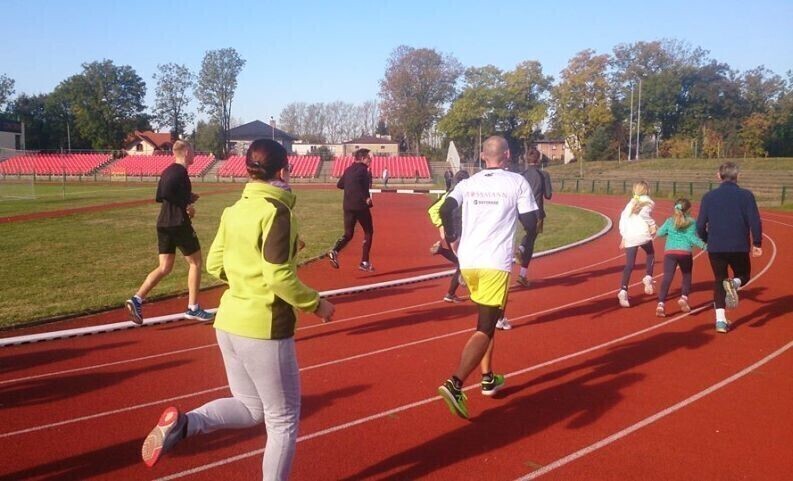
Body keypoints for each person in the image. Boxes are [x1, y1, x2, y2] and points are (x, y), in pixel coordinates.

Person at [140, 139, 335, 480]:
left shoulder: (234, 210)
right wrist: (316, 304)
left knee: (250, 408)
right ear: (284, 171)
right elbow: (278, 277)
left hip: (228, 323)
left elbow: (216, 264)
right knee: (283, 421)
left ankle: (186, 425)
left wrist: (248, 277)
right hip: (264, 328)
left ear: (247, 170)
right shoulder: (277, 212)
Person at [436, 136, 538, 419]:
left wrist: (452, 237)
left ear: (483, 156)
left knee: (487, 320)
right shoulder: (517, 182)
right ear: (507, 155)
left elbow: (445, 208)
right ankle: (455, 383)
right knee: (485, 326)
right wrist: (523, 234)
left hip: (468, 262)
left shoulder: (467, 183)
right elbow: (530, 222)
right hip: (494, 262)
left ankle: (488, 377)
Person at [125, 140, 214, 324]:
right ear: (187, 151)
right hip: (177, 223)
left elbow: (161, 196)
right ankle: (193, 308)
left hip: (164, 222)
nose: (195, 154)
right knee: (196, 262)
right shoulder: (180, 172)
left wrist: (187, 198)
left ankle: (137, 299)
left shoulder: (168, 171)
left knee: (165, 267)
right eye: (193, 150)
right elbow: (166, 192)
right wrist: (186, 205)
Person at [696, 161, 762, 333]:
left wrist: (706, 239)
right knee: (744, 275)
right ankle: (734, 282)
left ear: (719, 176)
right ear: (737, 176)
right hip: (738, 245)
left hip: (716, 246)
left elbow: (700, 225)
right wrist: (757, 242)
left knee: (719, 280)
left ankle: (720, 321)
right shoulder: (746, 196)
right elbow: (754, 220)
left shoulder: (708, 197)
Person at [654, 198, 707, 317]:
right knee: (686, 275)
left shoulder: (669, 221)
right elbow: (692, 238)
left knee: (667, 277)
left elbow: (660, 233)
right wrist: (704, 246)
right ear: (688, 210)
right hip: (685, 252)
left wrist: (666, 232)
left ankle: (661, 304)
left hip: (670, 252)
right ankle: (684, 297)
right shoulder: (691, 222)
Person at [328, 148, 375, 272]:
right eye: (369, 158)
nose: (371, 160)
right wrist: (367, 198)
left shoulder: (348, 170)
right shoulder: (364, 170)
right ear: (363, 158)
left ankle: (335, 250)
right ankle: (364, 262)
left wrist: (351, 185)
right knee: (369, 232)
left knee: (348, 234)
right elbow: (364, 187)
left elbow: (339, 185)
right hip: (360, 206)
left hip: (348, 206)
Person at [428, 169, 470, 303]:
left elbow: (433, 210)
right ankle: (452, 292)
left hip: (453, 232)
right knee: (463, 261)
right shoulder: (457, 195)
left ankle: (451, 293)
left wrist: (442, 226)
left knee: (461, 260)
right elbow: (433, 210)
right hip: (458, 232)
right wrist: (441, 225)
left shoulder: (452, 194)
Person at [516, 148, 553, 288]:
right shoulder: (544, 174)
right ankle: (522, 273)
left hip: (521, 212)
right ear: (539, 159)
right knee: (530, 241)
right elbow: (548, 195)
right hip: (537, 212)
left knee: (529, 236)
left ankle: (521, 252)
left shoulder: (521, 175)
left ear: (526, 160)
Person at [617, 181, 657, 307]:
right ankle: (648, 277)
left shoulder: (631, 203)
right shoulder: (648, 201)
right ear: (647, 190)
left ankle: (623, 290)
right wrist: (652, 224)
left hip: (630, 236)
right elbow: (644, 215)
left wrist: (623, 236)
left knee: (629, 265)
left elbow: (623, 219)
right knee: (650, 252)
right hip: (642, 235)